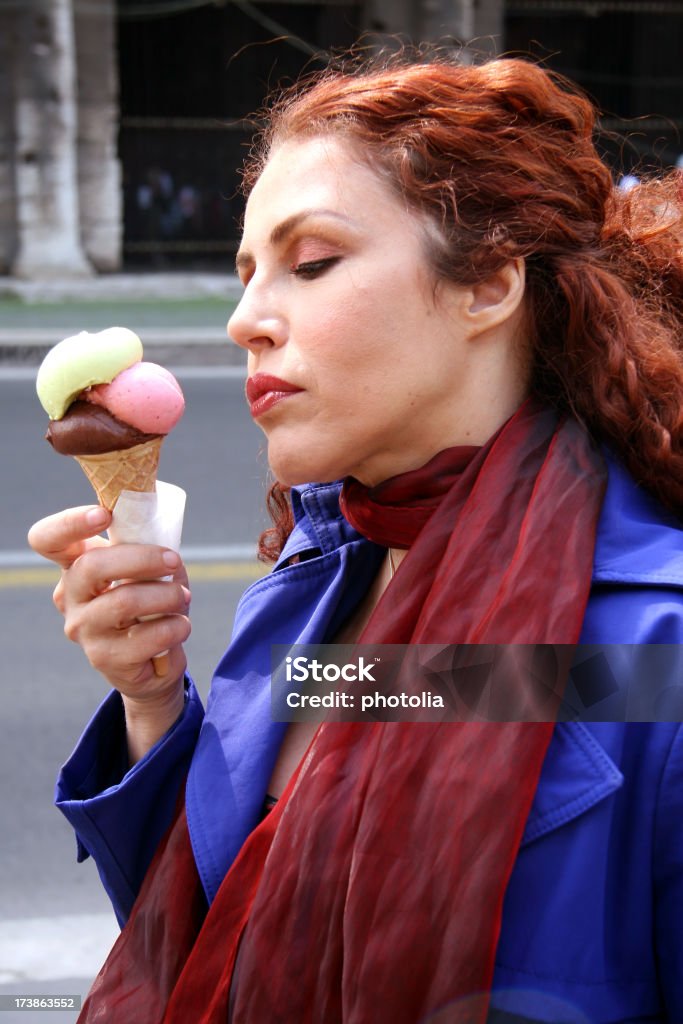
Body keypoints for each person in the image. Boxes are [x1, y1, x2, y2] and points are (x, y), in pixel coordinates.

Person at [28, 51, 683, 1023]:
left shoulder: (651, 650)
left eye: (312, 261)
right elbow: (229, 927)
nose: (245, 319)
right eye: (245, 273)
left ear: (489, 282)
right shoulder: (320, 565)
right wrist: (151, 702)